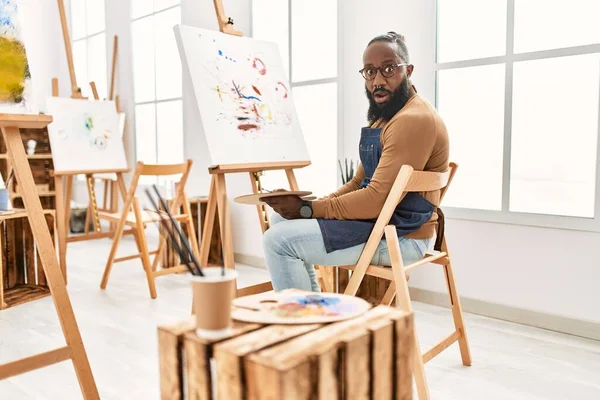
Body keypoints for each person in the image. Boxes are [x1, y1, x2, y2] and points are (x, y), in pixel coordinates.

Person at [261, 32, 449, 292]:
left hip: (400, 236)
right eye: (370, 72)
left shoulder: (413, 119)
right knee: (281, 221)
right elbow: (358, 182)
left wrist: (306, 210)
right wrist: (307, 205)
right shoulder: (387, 117)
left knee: (278, 242)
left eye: (388, 69)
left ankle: (307, 325)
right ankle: (316, 312)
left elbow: (375, 199)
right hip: (382, 223)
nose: (378, 81)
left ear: (409, 71)